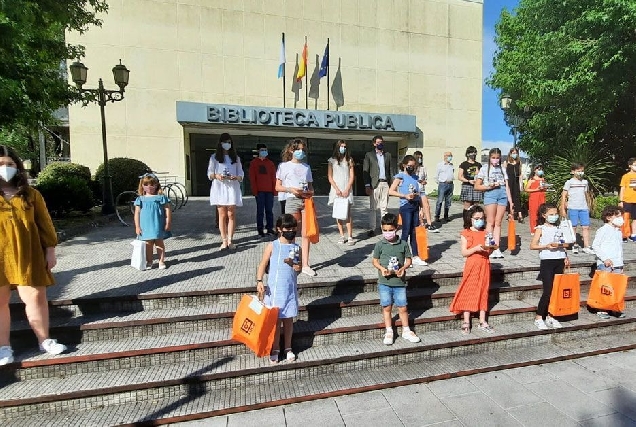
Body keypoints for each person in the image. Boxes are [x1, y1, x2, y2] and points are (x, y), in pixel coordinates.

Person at [0, 145, 67, 365]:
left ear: (18, 167)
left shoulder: (31, 194)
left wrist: (50, 249)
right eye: (1, 164)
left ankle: (44, 340)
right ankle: (4, 347)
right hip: (1, 256)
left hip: (29, 253)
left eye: (10, 164)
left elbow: (44, 224)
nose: (5, 168)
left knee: (36, 298)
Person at [256, 214, 302, 363]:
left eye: (293, 228)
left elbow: (298, 268)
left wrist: (295, 266)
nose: (291, 231)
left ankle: (288, 347)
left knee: (288, 320)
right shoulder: (273, 245)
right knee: (275, 321)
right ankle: (275, 348)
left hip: (289, 290)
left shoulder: (296, 247)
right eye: (288, 228)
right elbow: (263, 264)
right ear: (279, 229)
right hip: (274, 290)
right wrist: (259, 281)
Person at [372, 213, 421, 345]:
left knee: (403, 307)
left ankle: (406, 330)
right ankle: (389, 330)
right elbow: (375, 261)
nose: (388, 233)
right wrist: (382, 269)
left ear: (396, 229)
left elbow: (409, 260)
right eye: (385, 230)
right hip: (384, 282)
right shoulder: (380, 245)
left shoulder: (403, 244)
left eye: (390, 230)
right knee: (386, 307)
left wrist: (404, 267)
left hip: (399, 283)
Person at [449, 205, 494, 334]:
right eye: (477, 218)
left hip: (484, 264)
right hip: (472, 264)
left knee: (483, 290)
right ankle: (466, 320)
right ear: (471, 219)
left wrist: (490, 248)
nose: (480, 220)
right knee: (469, 289)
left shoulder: (486, 233)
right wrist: (476, 248)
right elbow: (464, 252)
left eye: (482, 218)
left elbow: (488, 252)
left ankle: (482, 320)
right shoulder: (466, 233)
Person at [275, 138, 316, 276]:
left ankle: (305, 264)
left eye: (303, 150)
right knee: (291, 232)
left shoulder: (306, 167)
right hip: (292, 200)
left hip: (306, 201)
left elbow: (311, 187)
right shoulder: (284, 166)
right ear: (291, 150)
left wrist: (309, 192)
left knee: (306, 234)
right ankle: (290, 261)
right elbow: (277, 187)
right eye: (298, 149)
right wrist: (290, 190)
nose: (301, 152)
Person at [530, 203, 570, 330]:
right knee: (548, 290)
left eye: (555, 214)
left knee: (557, 290)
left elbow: (566, 244)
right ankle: (539, 317)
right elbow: (533, 245)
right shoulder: (541, 228)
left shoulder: (560, 227)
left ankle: (551, 315)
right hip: (547, 261)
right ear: (544, 215)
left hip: (559, 259)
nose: (554, 216)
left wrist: (565, 256)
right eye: (551, 214)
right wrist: (545, 246)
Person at [389, 155, 428, 266]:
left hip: (415, 206)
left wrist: (421, 209)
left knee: (414, 232)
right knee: (406, 232)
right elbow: (391, 191)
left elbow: (419, 194)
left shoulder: (416, 178)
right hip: (406, 206)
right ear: (404, 165)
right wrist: (404, 195)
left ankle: (415, 256)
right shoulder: (400, 177)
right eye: (410, 166)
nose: (412, 168)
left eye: (414, 166)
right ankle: (403, 256)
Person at [208, 133, 244, 250]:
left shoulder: (236, 158)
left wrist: (236, 177)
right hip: (220, 187)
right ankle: (223, 240)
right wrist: (216, 176)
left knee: (231, 214)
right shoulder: (214, 157)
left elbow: (241, 174)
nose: (227, 144)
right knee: (222, 214)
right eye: (225, 142)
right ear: (220, 143)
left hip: (232, 187)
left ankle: (230, 240)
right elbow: (210, 173)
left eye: (229, 142)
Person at [474, 148, 512, 259]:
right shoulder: (484, 169)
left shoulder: (503, 169)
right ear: (489, 158)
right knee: (490, 221)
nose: (495, 160)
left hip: (502, 194)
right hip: (490, 194)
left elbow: (507, 185)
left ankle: (497, 247)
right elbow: (477, 186)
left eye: (497, 158)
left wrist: (510, 200)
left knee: (498, 222)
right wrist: (488, 186)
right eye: (493, 157)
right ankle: (489, 246)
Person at [591, 205, 626, 319]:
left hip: (617, 263)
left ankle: (614, 307)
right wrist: (605, 258)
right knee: (605, 287)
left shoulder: (618, 231)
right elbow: (595, 245)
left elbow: (619, 248)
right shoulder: (603, 230)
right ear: (608, 217)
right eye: (617, 216)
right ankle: (602, 309)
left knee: (616, 287)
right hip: (605, 263)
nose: (620, 218)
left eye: (621, 216)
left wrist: (621, 263)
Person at [134, 173, 172, 270]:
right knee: (148, 245)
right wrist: (137, 227)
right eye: (146, 184)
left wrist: (168, 222)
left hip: (158, 224)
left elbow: (167, 210)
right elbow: (137, 213)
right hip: (145, 226)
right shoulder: (140, 199)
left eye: (152, 184)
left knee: (159, 243)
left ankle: (161, 261)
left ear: (156, 185)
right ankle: (149, 261)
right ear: (142, 185)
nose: (149, 187)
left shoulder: (161, 197)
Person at [363, 135, 395, 237]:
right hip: (374, 184)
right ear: (374, 144)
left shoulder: (388, 155)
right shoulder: (369, 155)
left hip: (385, 183)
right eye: (378, 142)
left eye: (381, 142)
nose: (380, 144)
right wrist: (367, 185)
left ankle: (385, 228)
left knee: (384, 207)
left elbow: (390, 170)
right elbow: (365, 171)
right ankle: (372, 228)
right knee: (373, 208)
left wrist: (393, 184)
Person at [560, 162, 594, 254]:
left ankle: (586, 246)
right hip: (573, 207)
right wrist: (563, 208)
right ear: (573, 171)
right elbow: (564, 195)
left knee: (586, 227)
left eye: (582, 171)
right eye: (578, 171)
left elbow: (586, 194)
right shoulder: (569, 182)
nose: (580, 173)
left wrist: (589, 205)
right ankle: (574, 244)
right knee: (573, 227)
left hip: (583, 208)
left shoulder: (585, 182)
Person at [327, 140, 356, 245]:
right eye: (341, 146)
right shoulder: (332, 161)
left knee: (348, 213)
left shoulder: (349, 160)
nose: (343, 148)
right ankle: (341, 235)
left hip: (347, 190)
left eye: (345, 146)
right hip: (336, 190)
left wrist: (347, 188)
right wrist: (337, 189)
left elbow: (352, 176)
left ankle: (350, 236)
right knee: (338, 213)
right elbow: (330, 177)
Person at [249, 143, 277, 238]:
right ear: (258, 151)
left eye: (265, 150)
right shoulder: (254, 163)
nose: (264, 152)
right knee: (260, 211)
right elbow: (252, 178)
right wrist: (255, 191)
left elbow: (274, 177)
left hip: (269, 191)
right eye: (262, 150)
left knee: (269, 210)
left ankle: (269, 228)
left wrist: (274, 190)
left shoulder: (270, 163)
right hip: (260, 191)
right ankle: (260, 230)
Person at [413, 151, 439, 233]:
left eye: (421, 157)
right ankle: (420, 223)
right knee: (417, 208)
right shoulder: (412, 168)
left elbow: (425, 178)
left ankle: (429, 223)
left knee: (426, 206)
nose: (419, 159)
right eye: (418, 157)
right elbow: (412, 178)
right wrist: (419, 180)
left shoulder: (423, 168)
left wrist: (424, 181)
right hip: (414, 190)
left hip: (422, 190)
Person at [524, 164, 547, 235]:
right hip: (534, 198)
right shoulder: (532, 179)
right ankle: (533, 229)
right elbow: (526, 189)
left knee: (542, 212)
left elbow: (545, 188)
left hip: (542, 197)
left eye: (541, 169)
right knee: (534, 213)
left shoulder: (543, 179)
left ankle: (542, 228)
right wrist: (536, 189)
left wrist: (544, 187)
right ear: (534, 170)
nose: (540, 171)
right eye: (538, 169)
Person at [503, 147, 524, 223]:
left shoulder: (519, 162)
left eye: (516, 153)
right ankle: (510, 214)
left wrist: (521, 184)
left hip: (516, 181)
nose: (514, 154)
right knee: (509, 198)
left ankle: (520, 215)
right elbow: (504, 173)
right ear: (510, 153)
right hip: (509, 181)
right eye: (513, 153)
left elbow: (520, 174)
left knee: (517, 198)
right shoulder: (506, 162)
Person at [618, 157, 636, 242]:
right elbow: (623, 188)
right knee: (626, 217)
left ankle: (633, 234)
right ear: (630, 166)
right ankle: (624, 235)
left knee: (635, 218)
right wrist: (621, 201)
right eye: (635, 165)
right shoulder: (625, 176)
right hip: (627, 200)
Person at [435, 151, 454, 223]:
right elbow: (436, 176)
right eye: (449, 155)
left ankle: (446, 216)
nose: (450, 157)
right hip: (443, 184)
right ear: (445, 156)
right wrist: (440, 182)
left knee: (448, 201)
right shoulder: (440, 165)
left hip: (450, 184)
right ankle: (437, 216)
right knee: (440, 201)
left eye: (451, 155)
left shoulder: (451, 165)